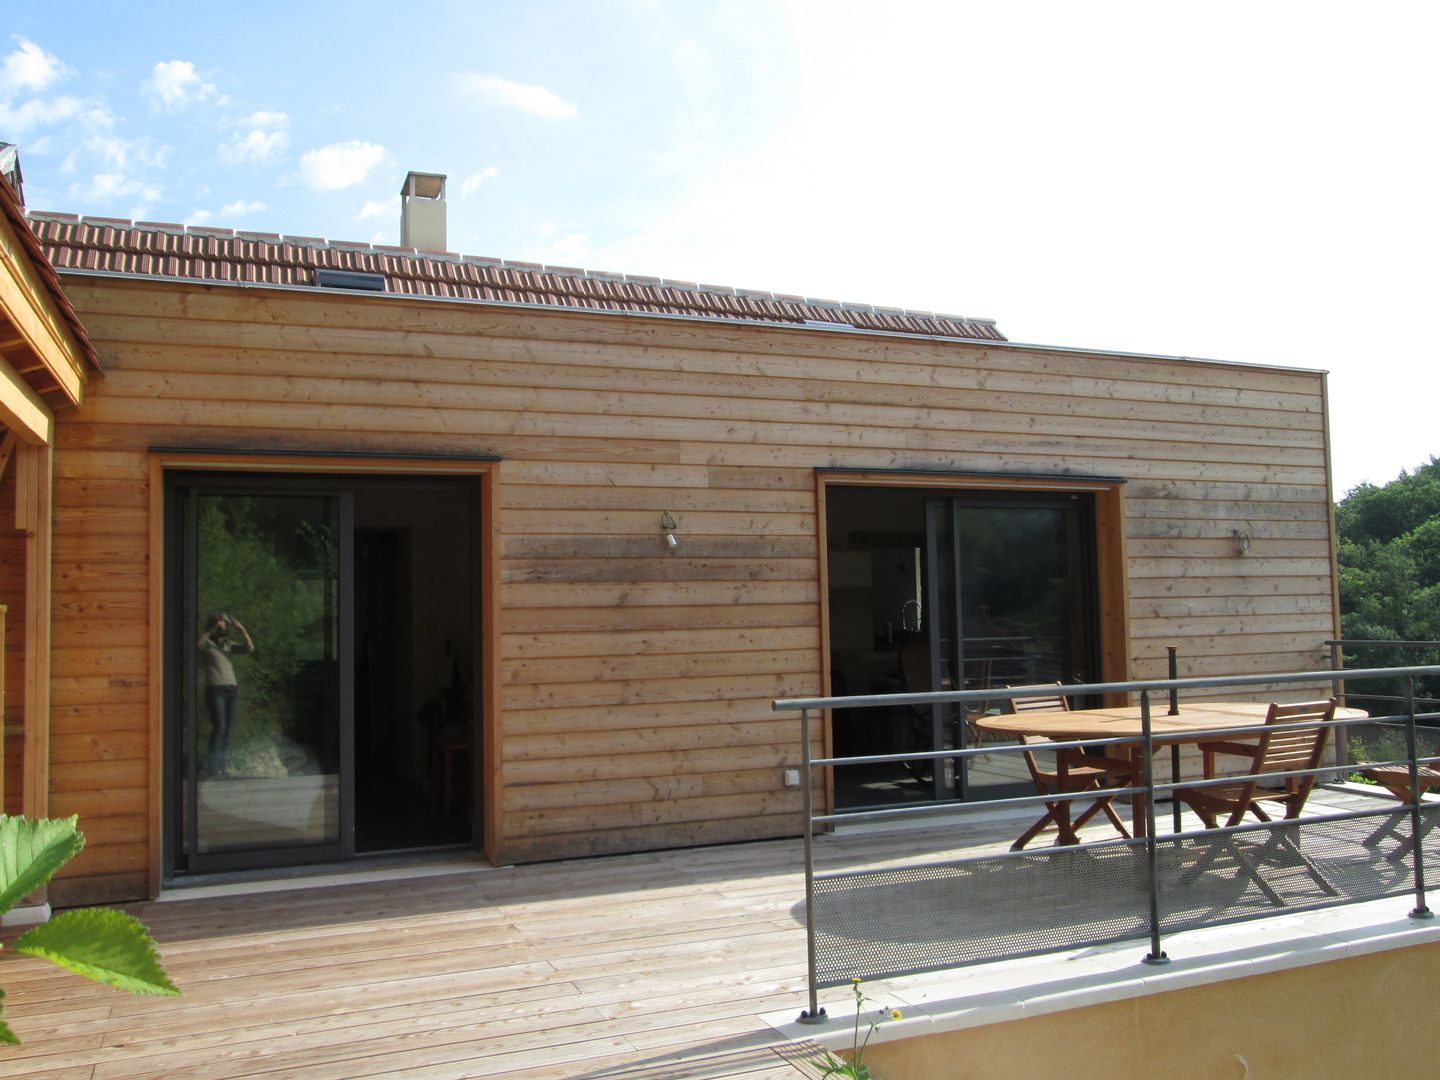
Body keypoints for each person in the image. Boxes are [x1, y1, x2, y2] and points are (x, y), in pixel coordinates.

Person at [198, 611, 254, 776]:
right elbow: (198, 644)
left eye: (224, 623)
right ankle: (214, 768)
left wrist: (241, 629)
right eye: (220, 623)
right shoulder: (207, 643)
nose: (223, 625)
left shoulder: (228, 645)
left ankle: (222, 767)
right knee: (219, 727)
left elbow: (250, 648)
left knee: (227, 729)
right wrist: (212, 629)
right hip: (216, 688)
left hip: (231, 688)